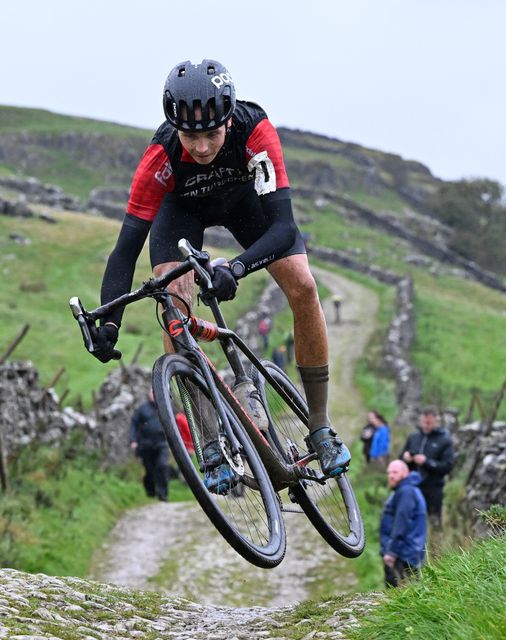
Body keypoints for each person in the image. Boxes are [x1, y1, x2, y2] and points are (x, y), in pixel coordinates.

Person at [88, 58, 351, 490]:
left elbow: (284, 228)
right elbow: (125, 249)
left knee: (304, 286)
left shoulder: (254, 130)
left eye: (213, 133)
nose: (204, 147)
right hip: (182, 211)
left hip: (246, 203)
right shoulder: (161, 155)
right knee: (172, 304)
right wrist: (108, 321)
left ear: (229, 119)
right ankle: (209, 442)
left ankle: (320, 426)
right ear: (176, 128)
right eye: (192, 136)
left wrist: (236, 267)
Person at [400, 408, 456, 543]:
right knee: (409, 519)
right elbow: (401, 459)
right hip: (412, 486)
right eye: (424, 422)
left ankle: (436, 552)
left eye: (429, 423)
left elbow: (448, 466)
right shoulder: (414, 437)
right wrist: (405, 458)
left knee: (434, 521)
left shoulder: (445, 441)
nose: (426, 425)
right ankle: (409, 550)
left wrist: (427, 462)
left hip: (433, 488)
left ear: (436, 421)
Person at [380, 459, 426, 587]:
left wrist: (391, 552)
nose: (391, 476)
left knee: (397, 594)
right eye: (389, 473)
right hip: (407, 552)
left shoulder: (406, 492)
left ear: (405, 473)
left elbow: (402, 523)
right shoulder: (407, 490)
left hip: (403, 555)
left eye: (395, 472)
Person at [130, 390, 169, 501]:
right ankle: (151, 491)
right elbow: (134, 425)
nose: (154, 395)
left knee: (162, 466)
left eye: (154, 392)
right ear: (148, 395)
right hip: (146, 444)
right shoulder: (142, 409)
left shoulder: (164, 406)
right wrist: (133, 440)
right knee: (150, 470)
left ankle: (163, 494)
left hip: (161, 443)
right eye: (151, 393)